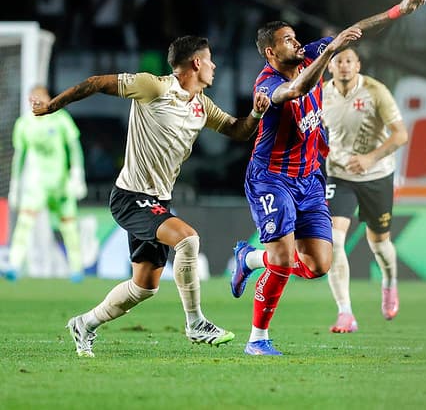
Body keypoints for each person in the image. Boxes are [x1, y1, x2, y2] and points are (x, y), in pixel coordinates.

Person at [32, 35, 269, 358]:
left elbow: (238, 130)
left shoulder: (202, 105)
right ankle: (196, 322)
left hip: (158, 200)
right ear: (196, 63)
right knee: (188, 240)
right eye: (210, 60)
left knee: (144, 287)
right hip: (131, 195)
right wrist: (50, 106)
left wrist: (255, 114)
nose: (214, 66)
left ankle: (84, 323)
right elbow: (95, 83)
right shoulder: (154, 88)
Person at [229, 0, 426, 356]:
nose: (297, 42)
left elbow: (355, 31)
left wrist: (398, 10)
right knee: (285, 259)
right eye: (288, 40)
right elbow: (299, 88)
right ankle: (257, 338)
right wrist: (327, 52)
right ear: (271, 52)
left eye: (296, 36)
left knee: (320, 264)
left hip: (309, 179)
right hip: (271, 179)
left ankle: (250, 258)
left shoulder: (310, 55)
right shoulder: (267, 84)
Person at [322, 47, 408, 333]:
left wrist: (370, 158)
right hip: (339, 175)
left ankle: (389, 282)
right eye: (339, 62)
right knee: (333, 241)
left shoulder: (375, 91)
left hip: (377, 175)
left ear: (357, 65)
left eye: (349, 61)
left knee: (379, 245)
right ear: (330, 67)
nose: (344, 66)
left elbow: (401, 134)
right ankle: (345, 312)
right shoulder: (321, 94)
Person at [6, 85, 88, 282]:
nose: (34, 102)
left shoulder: (60, 119)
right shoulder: (24, 123)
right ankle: (14, 265)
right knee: (24, 223)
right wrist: (15, 183)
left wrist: (77, 174)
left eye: (38, 98)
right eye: (31, 99)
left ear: (47, 98)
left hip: (60, 182)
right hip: (36, 183)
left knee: (68, 226)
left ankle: (76, 269)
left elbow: (74, 147)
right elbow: (20, 155)